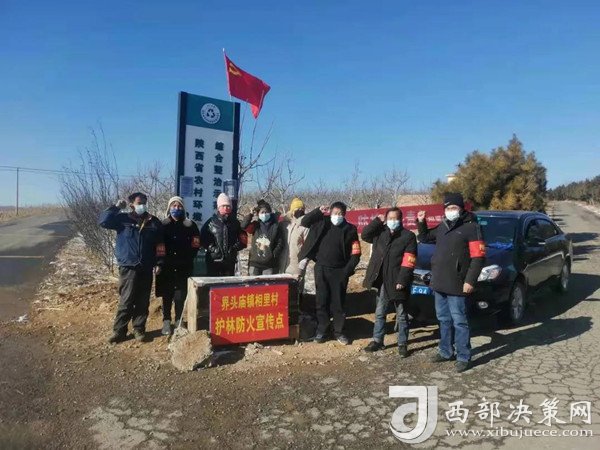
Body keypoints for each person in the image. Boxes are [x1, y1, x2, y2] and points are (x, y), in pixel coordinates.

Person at [417, 193, 485, 372]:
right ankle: (446, 351)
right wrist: (421, 222)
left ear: (461, 208)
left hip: (458, 283)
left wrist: (470, 280)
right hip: (439, 282)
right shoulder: (443, 226)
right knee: (443, 319)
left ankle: (463, 356)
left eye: (454, 207)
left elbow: (478, 258)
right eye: (447, 208)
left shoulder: (471, 227)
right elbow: (424, 238)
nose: (450, 211)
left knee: (459, 321)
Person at [99, 192, 164, 343]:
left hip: (146, 267)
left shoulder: (153, 221)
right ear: (131, 205)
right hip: (128, 266)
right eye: (139, 203)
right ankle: (119, 331)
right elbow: (103, 221)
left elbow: (160, 244)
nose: (142, 206)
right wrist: (115, 208)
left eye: (144, 203)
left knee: (143, 301)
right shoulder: (123, 219)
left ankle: (139, 329)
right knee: (126, 300)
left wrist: (159, 262)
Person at [298, 202, 361, 345]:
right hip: (321, 269)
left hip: (340, 271)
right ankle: (322, 330)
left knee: (338, 303)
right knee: (321, 301)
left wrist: (347, 270)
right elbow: (305, 221)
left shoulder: (350, 229)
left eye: (340, 214)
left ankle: (339, 331)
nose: (337, 216)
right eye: (335, 213)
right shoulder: (322, 223)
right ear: (330, 213)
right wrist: (318, 211)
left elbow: (356, 253)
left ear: (344, 214)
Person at [362, 207, 417, 357]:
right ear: (386, 219)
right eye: (390, 218)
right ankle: (377, 340)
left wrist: (402, 280)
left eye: (396, 218)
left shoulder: (408, 236)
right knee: (380, 312)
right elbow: (365, 235)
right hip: (382, 280)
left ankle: (402, 343)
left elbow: (409, 260)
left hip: (398, 280)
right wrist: (377, 221)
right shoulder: (380, 232)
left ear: (401, 219)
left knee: (402, 314)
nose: (393, 221)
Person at [155, 196, 201, 335]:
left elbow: (196, 243)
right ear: (169, 208)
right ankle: (166, 320)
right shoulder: (162, 225)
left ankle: (179, 320)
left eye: (179, 206)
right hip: (166, 266)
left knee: (180, 295)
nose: (177, 208)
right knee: (167, 294)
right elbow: (158, 244)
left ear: (183, 208)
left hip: (183, 266)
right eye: (174, 206)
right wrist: (159, 262)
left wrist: (188, 256)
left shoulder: (190, 225)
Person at [201, 193, 247, 276]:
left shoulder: (236, 223)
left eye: (228, 206)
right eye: (223, 206)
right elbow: (203, 239)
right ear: (218, 207)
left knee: (228, 284)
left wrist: (234, 249)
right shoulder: (211, 222)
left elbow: (243, 240)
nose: (226, 208)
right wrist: (213, 249)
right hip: (213, 261)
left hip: (230, 262)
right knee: (213, 283)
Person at [241, 199, 284, 275]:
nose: (264, 214)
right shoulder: (255, 225)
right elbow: (243, 226)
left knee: (267, 283)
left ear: (270, 213)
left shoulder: (275, 226)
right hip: (255, 263)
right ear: (258, 214)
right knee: (253, 282)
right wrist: (250, 214)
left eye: (266, 212)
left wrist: (273, 254)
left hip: (269, 265)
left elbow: (280, 242)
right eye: (262, 212)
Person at [278, 198, 310, 286]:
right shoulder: (285, 224)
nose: (300, 210)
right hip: (283, 264)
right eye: (297, 208)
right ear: (292, 210)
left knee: (296, 291)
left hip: (297, 266)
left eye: (302, 209)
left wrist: (301, 267)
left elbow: (308, 247)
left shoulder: (305, 226)